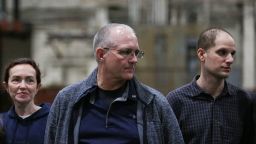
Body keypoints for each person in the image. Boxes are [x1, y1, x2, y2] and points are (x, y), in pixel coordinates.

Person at [44, 23, 184, 144]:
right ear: (101, 55)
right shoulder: (67, 100)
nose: (134, 59)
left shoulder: (154, 103)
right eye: (126, 52)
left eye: (136, 53)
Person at [166, 28, 254, 144]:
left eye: (232, 53)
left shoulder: (243, 100)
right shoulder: (176, 101)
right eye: (222, 52)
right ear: (202, 54)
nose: (230, 59)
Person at [2, 58, 50, 144]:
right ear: (6, 87)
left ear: (37, 87)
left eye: (30, 80)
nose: (23, 86)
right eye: (16, 80)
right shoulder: (2, 123)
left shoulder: (53, 119)